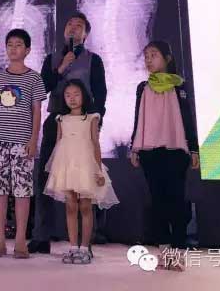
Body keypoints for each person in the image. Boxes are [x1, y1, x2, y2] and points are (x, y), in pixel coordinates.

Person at [30, 12, 107, 254]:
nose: (73, 28)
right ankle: (41, 236)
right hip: (56, 120)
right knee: (45, 176)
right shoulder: (52, 58)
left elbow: (100, 93)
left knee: (84, 179)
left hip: (83, 123)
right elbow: (41, 89)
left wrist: (96, 121)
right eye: (70, 24)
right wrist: (61, 66)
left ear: (86, 34)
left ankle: (86, 241)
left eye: (79, 25)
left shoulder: (94, 60)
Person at [129, 40, 200, 270]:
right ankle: (164, 252)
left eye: (154, 55)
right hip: (150, 151)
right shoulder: (143, 87)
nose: (149, 60)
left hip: (175, 150)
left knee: (176, 202)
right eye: (146, 56)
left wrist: (194, 148)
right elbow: (138, 118)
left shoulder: (179, 86)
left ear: (167, 58)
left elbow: (188, 119)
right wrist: (134, 146)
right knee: (157, 202)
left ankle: (178, 252)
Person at [0, 29, 47, 259]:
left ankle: (21, 240)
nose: (13, 48)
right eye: (10, 44)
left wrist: (33, 139)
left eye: (18, 44)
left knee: (22, 191)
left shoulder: (34, 78)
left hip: (22, 142)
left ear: (27, 50)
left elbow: (37, 111)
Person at [44, 80, 119, 264]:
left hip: (86, 165)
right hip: (67, 165)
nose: (72, 98)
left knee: (85, 206)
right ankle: (73, 247)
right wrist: (56, 169)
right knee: (70, 205)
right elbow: (59, 144)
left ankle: (85, 248)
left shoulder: (92, 117)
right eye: (68, 95)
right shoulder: (61, 119)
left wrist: (98, 170)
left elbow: (95, 143)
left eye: (76, 94)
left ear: (84, 96)